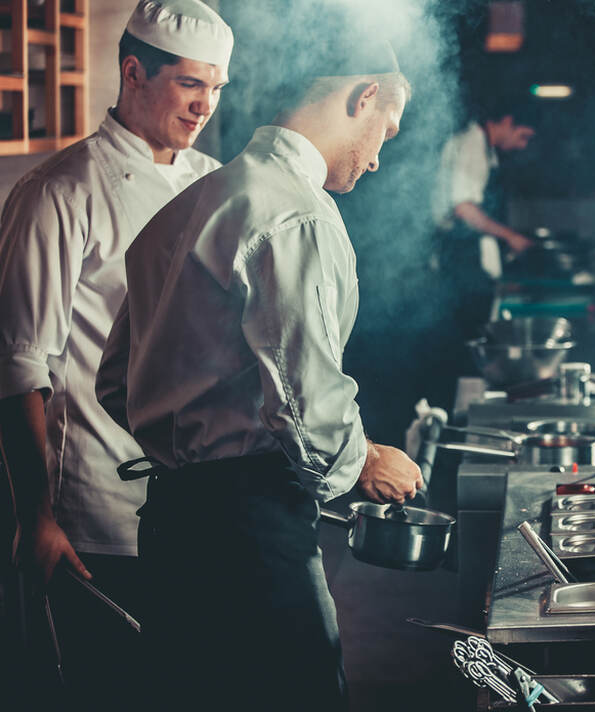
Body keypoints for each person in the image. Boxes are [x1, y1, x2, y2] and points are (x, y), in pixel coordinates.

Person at [95, 37, 420, 709]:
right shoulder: (294, 212)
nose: (380, 157)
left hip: (170, 527)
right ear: (363, 98)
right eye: (384, 131)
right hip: (252, 540)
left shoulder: (188, 204)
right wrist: (364, 461)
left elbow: (115, 381)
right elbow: (308, 398)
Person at [0, 0, 231, 704]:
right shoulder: (58, 192)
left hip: (194, 504)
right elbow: (16, 364)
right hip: (94, 511)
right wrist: (35, 514)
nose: (206, 106)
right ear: (134, 71)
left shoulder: (212, 181)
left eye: (217, 88)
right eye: (192, 85)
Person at [426, 111, 536, 409]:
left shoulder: (484, 149)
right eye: (522, 135)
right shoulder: (473, 145)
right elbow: (463, 208)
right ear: (505, 120)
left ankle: (464, 413)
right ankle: (463, 419)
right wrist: (510, 237)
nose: (522, 145)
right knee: (469, 350)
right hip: (462, 261)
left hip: (467, 259)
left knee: (471, 348)